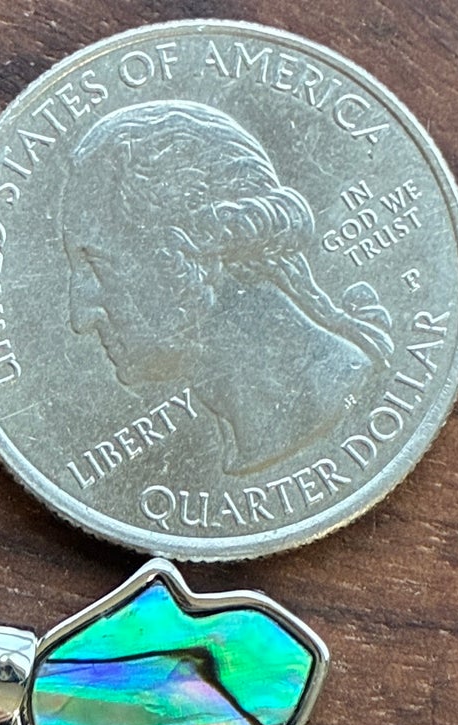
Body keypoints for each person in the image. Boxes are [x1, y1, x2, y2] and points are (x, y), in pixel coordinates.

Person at [63, 100, 394, 475]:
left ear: (195, 245)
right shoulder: (266, 428)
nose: (81, 315)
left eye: (95, 264)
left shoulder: (321, 397)